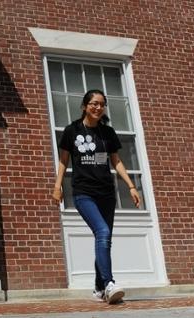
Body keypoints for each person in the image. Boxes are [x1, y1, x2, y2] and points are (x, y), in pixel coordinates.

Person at [51, 89, 141, 305]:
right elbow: (64, 161)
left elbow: (116, 161)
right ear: (84, 106)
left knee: (104, 239)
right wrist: (57, 186)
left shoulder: (107, 133)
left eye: (102, 104)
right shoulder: (72, 130)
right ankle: (109, 282)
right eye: (94, 103)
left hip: (107, 194)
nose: (98, 107)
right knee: (102, 232)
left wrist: (131, 186)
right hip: (84, 193)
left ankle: (99, 289)